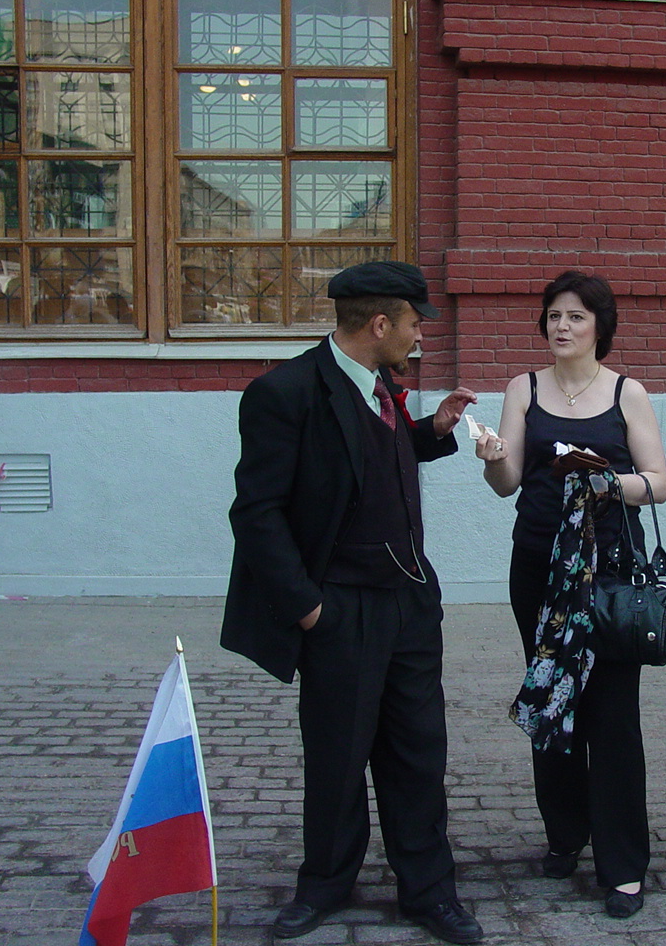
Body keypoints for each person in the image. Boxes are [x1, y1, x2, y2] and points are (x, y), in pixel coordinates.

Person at [220, 261, 484, 944]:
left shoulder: (382, 384)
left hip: (409, 603)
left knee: (418, 753)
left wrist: (432, 431)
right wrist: (309, 608)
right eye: (415, 323)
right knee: (338, 755)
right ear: (380, 324)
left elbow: (372, 459)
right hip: (340, 608)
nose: (420, 337)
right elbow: (256, 513)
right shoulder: (285, 394)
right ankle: (326, 884)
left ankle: (429, 891)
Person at [474, 270, 666, 919]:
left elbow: (659, 481)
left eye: (576, 316)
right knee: (551, 696)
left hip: (607, 571)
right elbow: (507, 482)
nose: (562, 326)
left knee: (611, 713)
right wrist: (493, 455)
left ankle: (623, 866)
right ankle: (565, 832)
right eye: (554, 315)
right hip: (538, 566)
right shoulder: (523, 389)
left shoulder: (626, 393)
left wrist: (607, 482)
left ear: (599, 327)